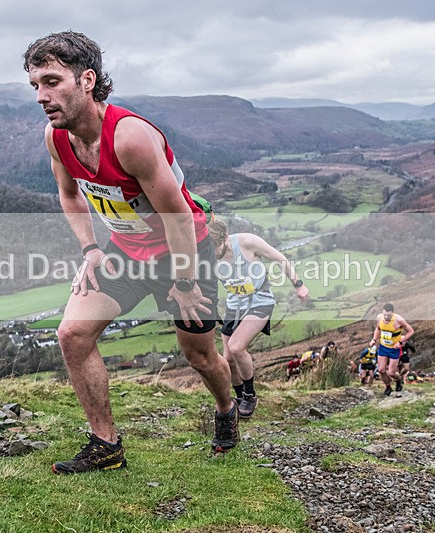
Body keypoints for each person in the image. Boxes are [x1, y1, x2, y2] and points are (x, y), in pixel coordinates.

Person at [24, 31, 239, 473]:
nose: (42, 96)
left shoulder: (131, 137)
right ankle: (105, 445)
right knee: (72, 335)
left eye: (51, 81)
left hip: (185, 254)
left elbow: (178, 217)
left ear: (87, 79)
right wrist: (90, 250)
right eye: (35, 87)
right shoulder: (57, 137)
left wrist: (183, 283)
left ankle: (226, 408)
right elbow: (70, 195)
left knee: (199, 355)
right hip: (125, 251)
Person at [207, 219, 308, 419]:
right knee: (228, 359)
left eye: (218, 247)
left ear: (226, 238)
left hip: (259, 299)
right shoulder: (206, 252)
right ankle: (238, 398)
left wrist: (298, 284)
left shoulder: (247, 242)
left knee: (237, 347)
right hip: (234, 304)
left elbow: (280, 258)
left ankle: (250, 395)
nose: (216, 253)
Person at [370, 303, 414, 396]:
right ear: (383, 312)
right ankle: (388, 387)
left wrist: (400, 342)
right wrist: (374, 339)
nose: (386, 317)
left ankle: (398, 380)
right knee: (381, 370)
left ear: (393, 313)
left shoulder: (399, 320)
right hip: (383, 347)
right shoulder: (379, 318)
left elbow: (411, 331)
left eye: (389, 315)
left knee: (391, 372)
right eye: (385, 314)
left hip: (394, 349)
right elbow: (378, 329)